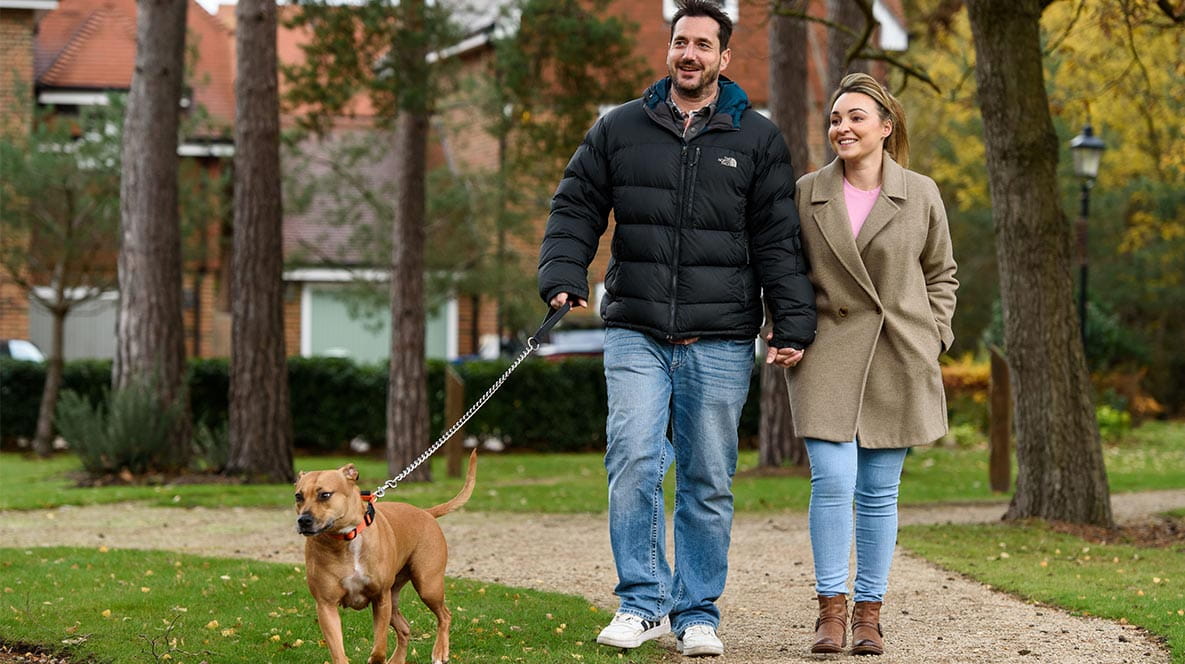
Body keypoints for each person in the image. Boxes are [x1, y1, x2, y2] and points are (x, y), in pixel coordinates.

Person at [537, 0, 816, 657]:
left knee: (705, 478)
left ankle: (696, 613)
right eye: (679, 42)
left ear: (723, 58)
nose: (687, 54)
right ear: (669, 51)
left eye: (701, 45)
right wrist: (562, 274)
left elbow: (777, 239)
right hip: (635, 327)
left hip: (719, 337)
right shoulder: (620, 129)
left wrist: (790, 320)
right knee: (632, 459)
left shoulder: (757, 139)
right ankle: (641, 604)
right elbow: (575, 204)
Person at [787, 72, 958, 656]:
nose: (843, 127)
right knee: (833, 480)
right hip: (826, 352)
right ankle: (829, 613)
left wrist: (934, 334)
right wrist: (782, 327)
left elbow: (942, 273)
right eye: (836, 118)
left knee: (881, 492)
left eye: (856, 117)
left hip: (899, 352)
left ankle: (868, 614)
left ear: (887, 127)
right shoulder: (808, 192)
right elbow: (784, 274)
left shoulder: (921, 193)